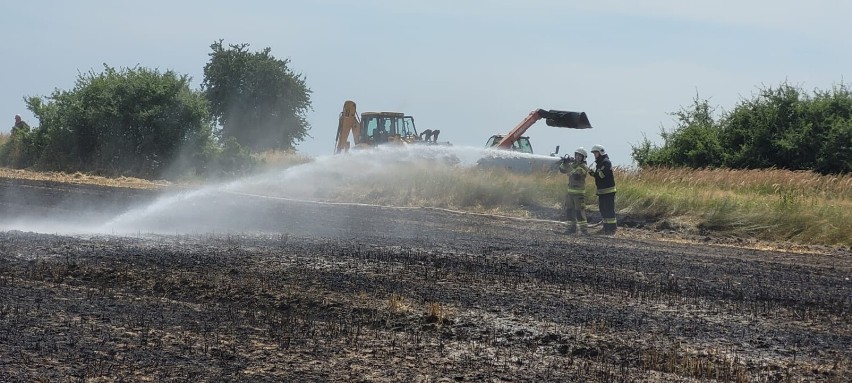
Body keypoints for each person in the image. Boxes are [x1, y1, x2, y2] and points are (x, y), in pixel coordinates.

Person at [558, 147, 590, 234]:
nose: (577, 157)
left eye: (580, 156)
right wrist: (564, 163)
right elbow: (562, 170)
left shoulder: (583, 167)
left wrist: (569, 167)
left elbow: (576, 174)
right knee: (569, 211)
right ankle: (571, 229)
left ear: (583, 158)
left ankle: (584, 230)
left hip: (579, 194)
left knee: (579, 212)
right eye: (576, 155)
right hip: (570, 193)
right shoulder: (573, 165)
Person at [589, 144, 617, 235]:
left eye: (595, 153)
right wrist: (593, 173)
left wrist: (595, 173)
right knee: (603, 209)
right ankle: (605, 228)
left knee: (609, 210)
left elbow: (602, 175)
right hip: (602, 191)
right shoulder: (600, 163)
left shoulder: (606, 162)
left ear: (600, 152)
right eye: (594, 153)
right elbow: (598, 175)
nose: (594, 155)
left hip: (608, 191)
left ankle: (611, 229)